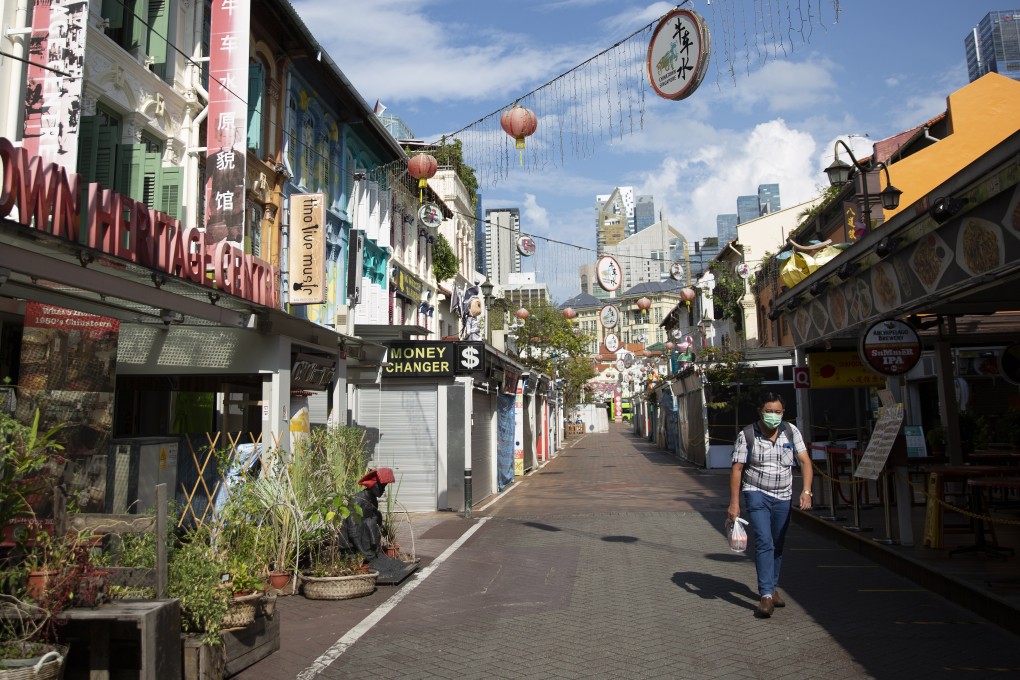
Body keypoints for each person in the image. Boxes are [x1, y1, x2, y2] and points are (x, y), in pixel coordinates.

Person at [727, 392, 813, 618]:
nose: (773, 416)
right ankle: (765, 595)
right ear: (760, 412)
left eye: (778, 412)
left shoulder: (791, 432)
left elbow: (805, 462)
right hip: (756, 493)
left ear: (783, 413)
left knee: (777, 542)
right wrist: (734, 504)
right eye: (769, 411)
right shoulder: (747, 434)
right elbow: (737, 469)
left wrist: (806, 491)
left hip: (783, 495)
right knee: (764, 540)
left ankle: (772, 587)